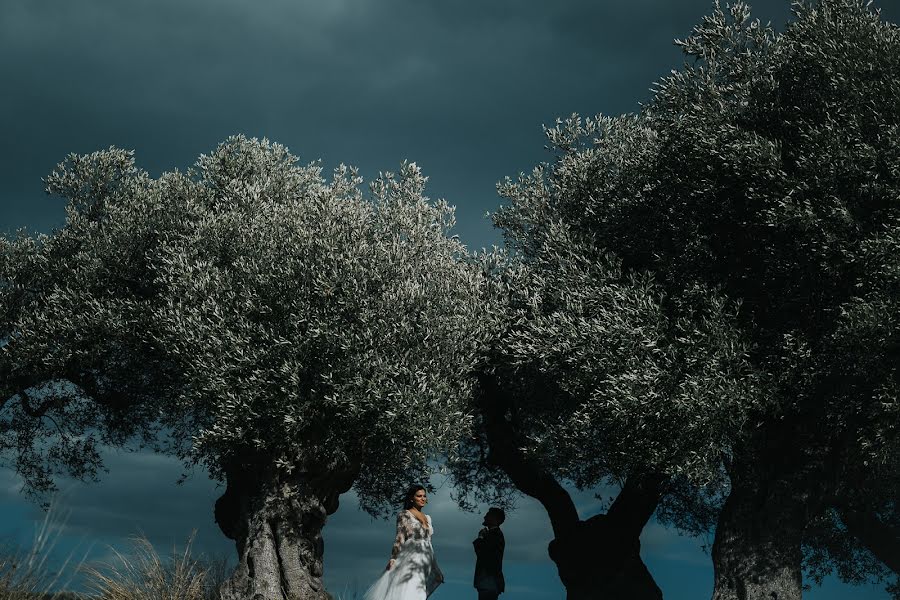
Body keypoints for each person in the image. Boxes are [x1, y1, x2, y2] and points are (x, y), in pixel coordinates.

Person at [363, 485, 444, 600]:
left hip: (425, 560)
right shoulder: (405, 514)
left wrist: (436, 567)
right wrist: (393, 558)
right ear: (412, 498)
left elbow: (429, 544)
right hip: (411, 557)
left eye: (424, 496)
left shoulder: (428, 518)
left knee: (420, 589)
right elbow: (400, 537)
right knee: (411, 588)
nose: (422, 498)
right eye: (419, 496)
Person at [473, 507, 505, 600]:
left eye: (488, 515)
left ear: (495, 519)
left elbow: (481, 552)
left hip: (489, 580)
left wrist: (480, 538)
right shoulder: (495, 534)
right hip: (488, 581)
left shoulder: (495, 535)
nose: (484, 517)